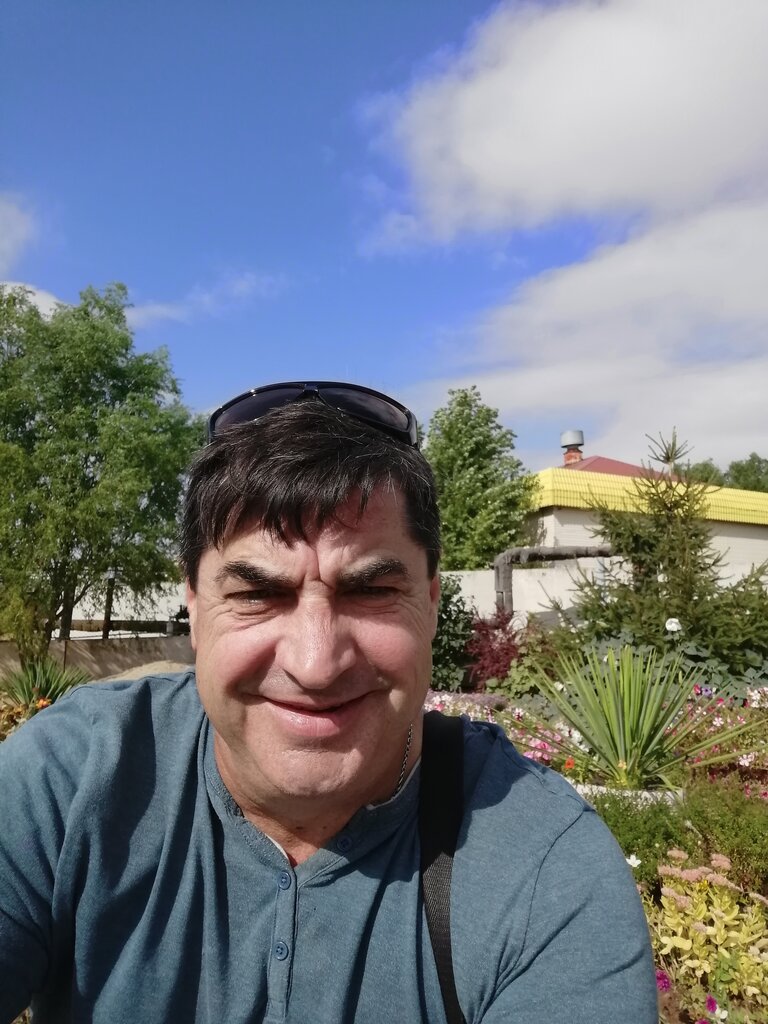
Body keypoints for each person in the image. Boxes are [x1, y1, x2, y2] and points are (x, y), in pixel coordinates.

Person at [0, 381, 657, 1023]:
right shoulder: (67, 786)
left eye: (371, 592)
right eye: (258, 595)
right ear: (193, 606)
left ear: (431, 602)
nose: (315, 665)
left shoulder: (543, 864)